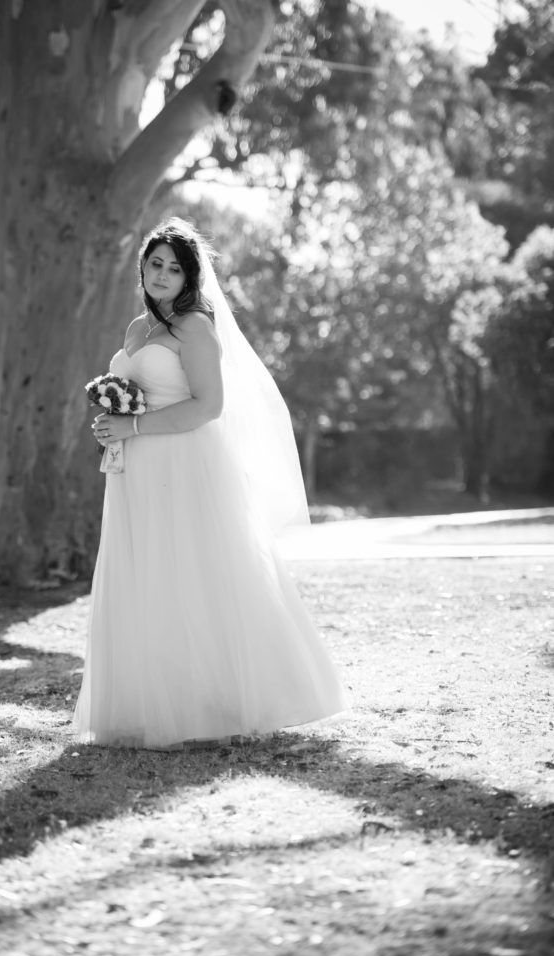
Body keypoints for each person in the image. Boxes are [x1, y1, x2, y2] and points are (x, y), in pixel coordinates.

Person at [73, 217, 349, 748]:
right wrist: (114, 423)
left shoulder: (195, 328)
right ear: (143, 266)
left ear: (189, 278)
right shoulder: (137, 329)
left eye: (174, 269)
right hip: (135, 472)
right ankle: (147, 702)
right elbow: (139, 389)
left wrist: (132, 423)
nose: (161, 275)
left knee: (193, 575)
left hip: (185, 464)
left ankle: (223, 702)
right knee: (146, 575)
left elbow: (208, 406)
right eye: (155, 263)